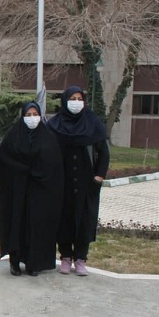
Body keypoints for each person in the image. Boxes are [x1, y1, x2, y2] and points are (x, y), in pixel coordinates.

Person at [47, 86, 110, 276]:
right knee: (64, 219)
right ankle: (66, 257)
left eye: (79, 98)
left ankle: (81, 258)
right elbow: (47, 151)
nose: (76, 102)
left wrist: (98, 177)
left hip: (87, 182)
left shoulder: (93, 123)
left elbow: (103, 152)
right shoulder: (55, 124)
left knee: (84, 220)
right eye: (72, 99)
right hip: (62, 182)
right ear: (65, 101)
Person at [0, 102, 64, 276]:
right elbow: (4, 159)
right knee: (17, 224)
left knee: (37, 227)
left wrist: (37, 173)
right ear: (23, 116)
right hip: (17, 190)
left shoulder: (48, 137)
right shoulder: (13, 136)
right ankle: (14, 261)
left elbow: (54, 164)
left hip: (40, 192)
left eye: (35, 114)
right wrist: (21, 170)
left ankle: (34, 263)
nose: (32, 118)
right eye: (28, 115)